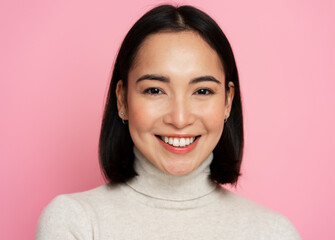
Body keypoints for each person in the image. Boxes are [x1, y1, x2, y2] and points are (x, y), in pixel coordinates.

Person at [36, 4, 301, 239]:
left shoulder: (272, 232)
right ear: (122, 100)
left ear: (228, 102)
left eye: (202, 91)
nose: (180, 119)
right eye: (155, 90)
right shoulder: (75, 222)